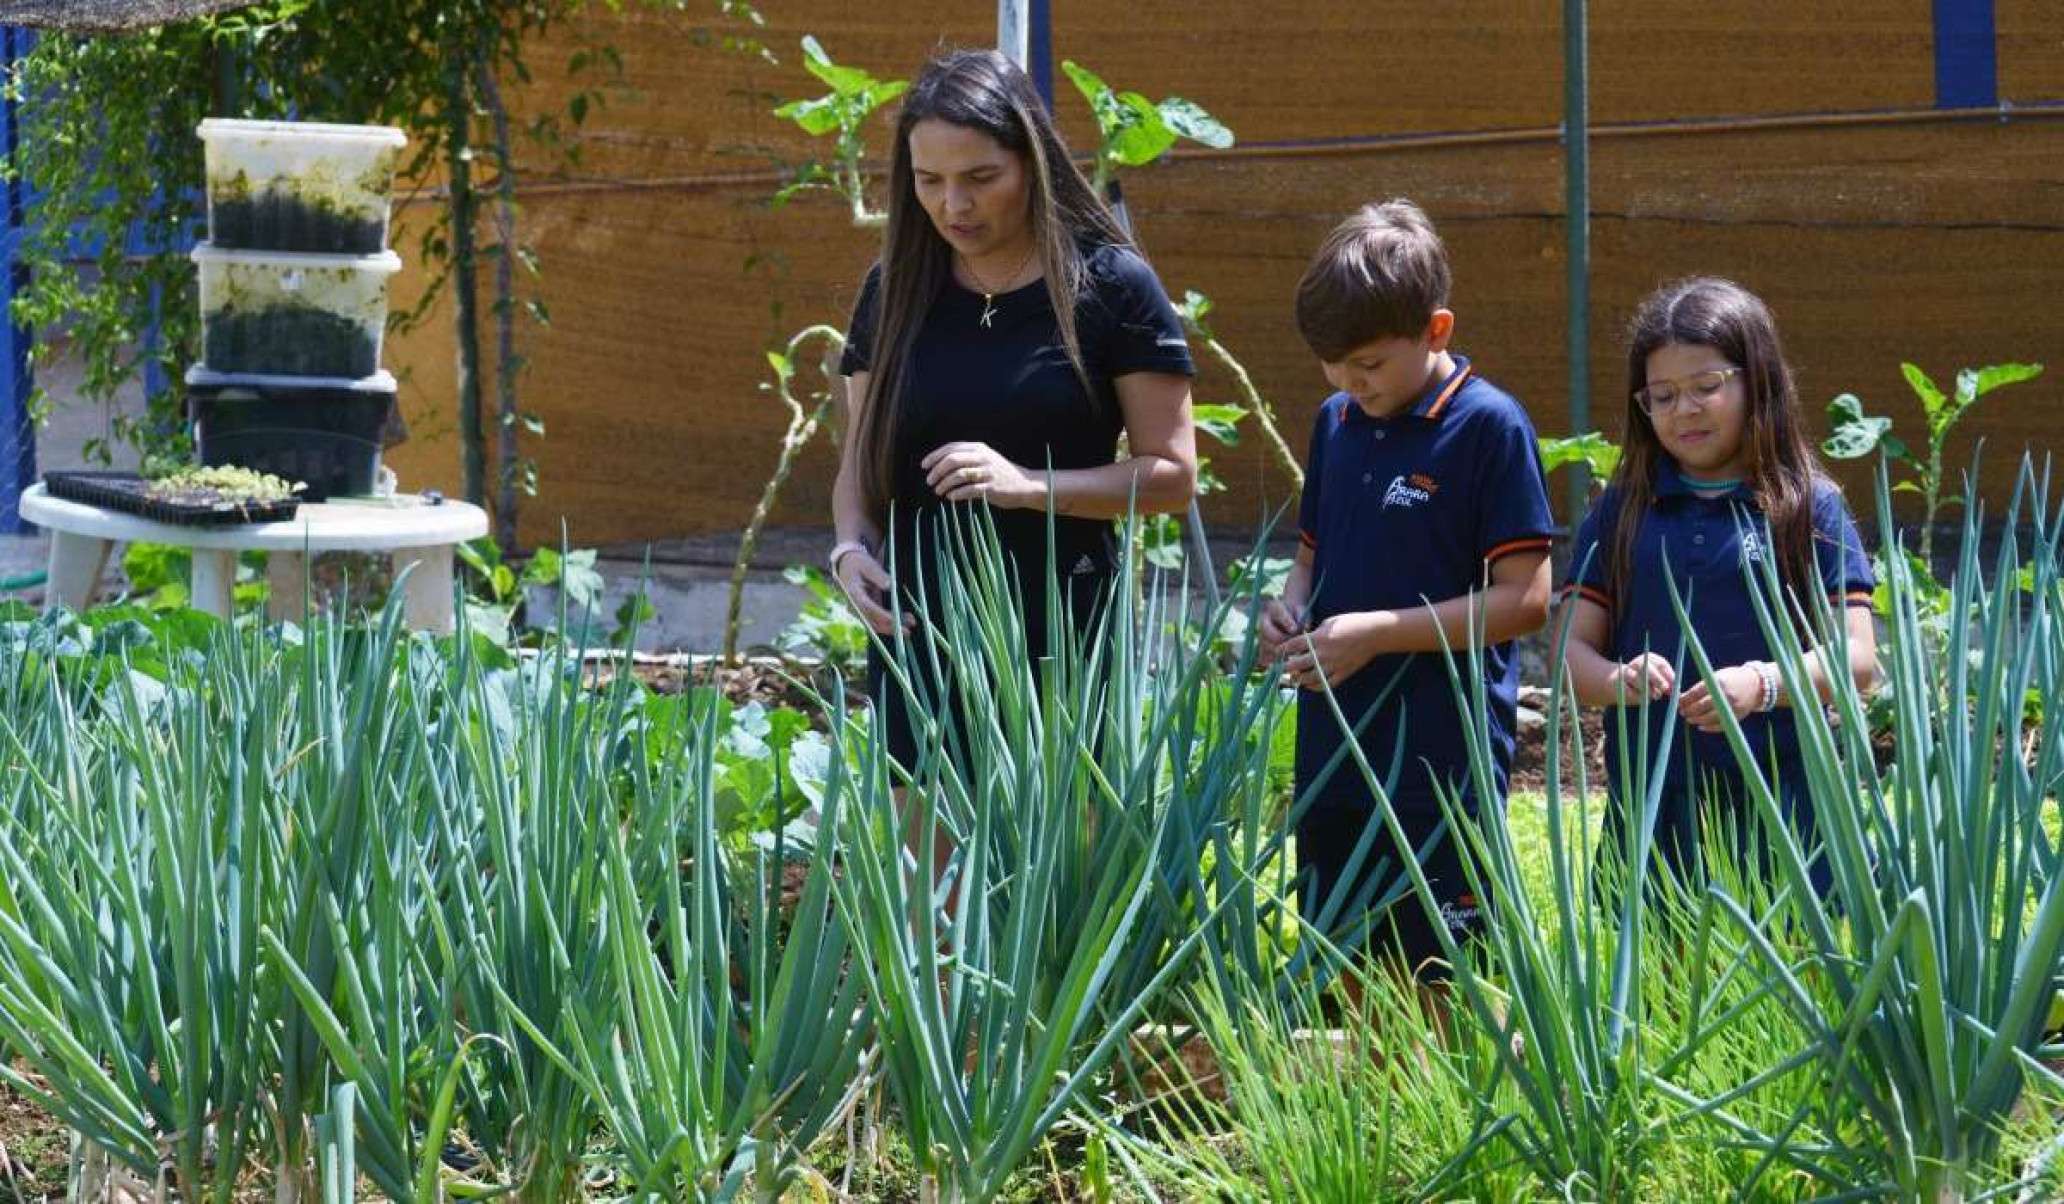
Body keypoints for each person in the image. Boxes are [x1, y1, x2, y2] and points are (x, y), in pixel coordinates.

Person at [829, 48, 1197, 772]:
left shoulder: (1111, 285)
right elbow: (860, 465)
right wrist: (848, 548)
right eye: (929, 181)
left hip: (1064, 620)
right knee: (930, 883)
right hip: (918, 623)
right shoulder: (895, 289)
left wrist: (1030, 486)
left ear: (1031, 162)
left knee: (1057, 873)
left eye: (980, 178)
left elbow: (1173, 476)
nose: (953, 206)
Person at [1258, 199, 1555, 976]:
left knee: (1438, 974)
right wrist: (1290, 608)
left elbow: (1525, 601)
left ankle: (1439, 1097)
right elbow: (1311, 556)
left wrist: (1378, 631)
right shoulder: (1336, 421)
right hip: (1334, 746)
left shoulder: (1490, 428)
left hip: (1437, 757)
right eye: (1333, 365)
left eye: (1369, 364)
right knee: (1339, 962)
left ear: (1437, 331)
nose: (1350, 383)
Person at [1559, 276, 1876, 892]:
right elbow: (1571, 655)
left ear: (1758, 381)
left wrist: (1762, 684)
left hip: (1788, 806)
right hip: (1655, 805)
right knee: (1659, 976)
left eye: (1707, 387)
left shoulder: (1809, 507)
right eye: (1662, 396)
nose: (1685, 409)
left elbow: (1857, 661)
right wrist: (1618, 680)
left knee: (1791, 964)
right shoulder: (1622, 510)